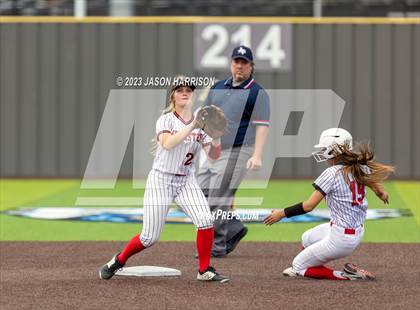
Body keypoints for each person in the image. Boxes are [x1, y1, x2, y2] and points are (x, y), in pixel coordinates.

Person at [99, 78, 229, 283]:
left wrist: (216, 136)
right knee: (149, 237)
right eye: (180, 90)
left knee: (205, 221)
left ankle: (204, 270)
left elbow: (213, 157)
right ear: (173, 95)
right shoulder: (166, 120)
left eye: (189, 90)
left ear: (193, 95)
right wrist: (195, 125)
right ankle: (119, 260)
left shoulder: (201, 122)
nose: (185, 93)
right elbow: (168, 144)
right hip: (161, 180)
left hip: (186, 180)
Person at [264, 128, 394, 280]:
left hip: (341, 238)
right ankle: (314, 265)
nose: (323, 152)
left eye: (325, 149)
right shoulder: (359, 166)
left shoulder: (332, 173)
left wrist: (281, 214)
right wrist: (381, 194)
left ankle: (346, 275)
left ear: (333, 151)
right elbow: (375, 185)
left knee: (298, 267)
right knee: (307, 237)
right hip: (352, 231)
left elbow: (308, 206)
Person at [196, 45, 270, 257]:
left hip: (239, 150)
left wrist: (257, 155)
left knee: (218, 196)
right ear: (231, 64)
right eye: (236, 61)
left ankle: (217, 245)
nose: (239, 65)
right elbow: (204, 117)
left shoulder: (257, 92)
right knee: (194, 195)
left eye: (244, 62)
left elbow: (262, 125)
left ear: (251, 66)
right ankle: (234, 227)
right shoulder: (218, 87)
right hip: (214, 148)